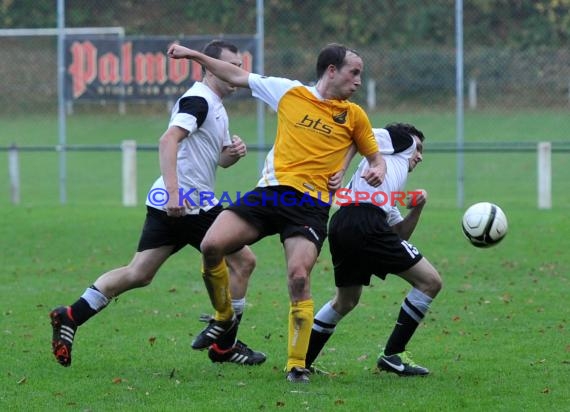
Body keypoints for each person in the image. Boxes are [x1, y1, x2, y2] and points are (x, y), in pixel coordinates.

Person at [167, 42, 387, 383]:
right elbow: (236, 75)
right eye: (353, 72)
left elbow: (374, 155)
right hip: (270, 194)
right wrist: (195, 56)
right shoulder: (290, 92)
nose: (358, 81)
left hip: (310, 206)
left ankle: (297, 365)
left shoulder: (354, 115)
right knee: (211, 245)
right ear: (331, 70)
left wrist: (374, 168)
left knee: (299, 277)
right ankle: (223, 317)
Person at [49, 40, 266, 368]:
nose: (238, 72)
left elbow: (217, 161)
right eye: (233, 65)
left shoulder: (215, 105)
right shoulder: (198, 99)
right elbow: (168, 140)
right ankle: (225, 345)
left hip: (173, 201)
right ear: (209, 67)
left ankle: (70, 315)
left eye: (240, 65)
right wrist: (176, 191)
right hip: (189, 200)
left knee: (139, 272)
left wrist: (231, 154)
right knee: (244, 262)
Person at [305, 123, 443, 376]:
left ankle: (301, 363)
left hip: (345, 223)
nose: (419, 156)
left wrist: (417, 208)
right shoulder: (402, 140)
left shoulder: (383, 187)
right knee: (430, 281)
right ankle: (392, 355)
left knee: (345, 301)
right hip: (363, 221)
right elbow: (359, 134)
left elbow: (398, 234)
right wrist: (340, 168)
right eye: (419, 149)